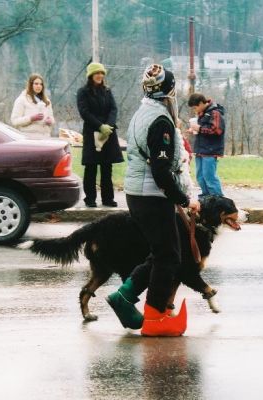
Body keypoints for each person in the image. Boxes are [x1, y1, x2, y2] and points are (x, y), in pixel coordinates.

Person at [106, 64, 200, 336]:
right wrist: (182, 199)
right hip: (151, 195)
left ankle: (124, 295)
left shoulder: (142, 112)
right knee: (169, 256)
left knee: (162, 253)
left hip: (138, 192)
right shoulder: (161, 121)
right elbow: (161, 170)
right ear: (169, 90)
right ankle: (155, 316)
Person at [76, 62, 124, 208]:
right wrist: (99, 126)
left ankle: (108, 199)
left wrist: (108, 126)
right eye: (97, 73)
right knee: (91, 167)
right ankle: (90, 198)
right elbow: (84, 112)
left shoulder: (107, 91)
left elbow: (113, 109)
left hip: (108, 133)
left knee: (106, 166)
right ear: (91, 75)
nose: (100, 76)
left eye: (102, 73)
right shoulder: (83, 92)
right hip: (92, 132)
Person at [187, 92, 226, 197]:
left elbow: (217, 130)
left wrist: (199, 128)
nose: (195, 110)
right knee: (200, 176)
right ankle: (207, 198)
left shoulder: (215, 113)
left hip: (210, 150)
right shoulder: (202, 113)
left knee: (209, 177)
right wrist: (195, 130)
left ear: (200, 103)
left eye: (195, 108)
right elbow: (204, 129)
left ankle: (217, 199)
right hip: (201, 150)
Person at [10, 73, 55, 139]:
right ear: (30, 85)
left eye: (41, 84)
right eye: (36, 84)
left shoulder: (47, 101)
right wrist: (31, 118)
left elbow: (52, 118)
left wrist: (50, 121)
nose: (39, 86)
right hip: (29, 139)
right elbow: (14, 121)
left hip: (46, 138)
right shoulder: (21, 100)